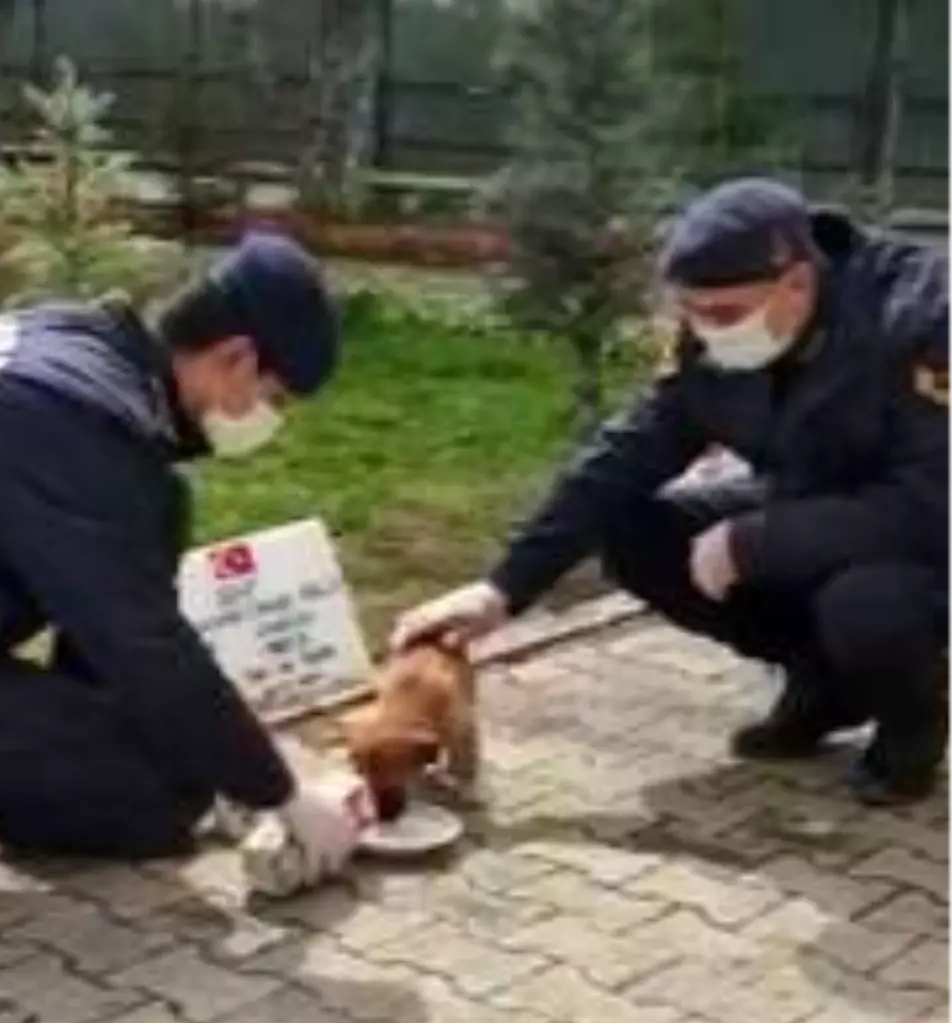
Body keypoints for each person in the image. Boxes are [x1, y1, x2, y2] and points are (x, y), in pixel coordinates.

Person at [0, 232, 372, 921]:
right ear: (236, 357)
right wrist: (281, 793)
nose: (268, 420)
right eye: (275, 397)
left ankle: (34, 774)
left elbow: (122, 620)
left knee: (160, 504)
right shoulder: (75, 421)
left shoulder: (80, 348)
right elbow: (142, 641)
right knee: (163, 799)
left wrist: (217, 745)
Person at [393, 177, 952, 808]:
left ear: (798, 283)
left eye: (722, 315)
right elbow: (628, 454)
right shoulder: (715, 333)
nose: (705, 330)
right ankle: (827, 683)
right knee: (632, 530)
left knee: (865, 602)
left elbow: (931, 504)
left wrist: (756, 540)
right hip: (814, 505)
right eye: (689, 311)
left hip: (929, 545)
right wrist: (501, 590)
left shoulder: (925, 322)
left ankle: (913, 728)